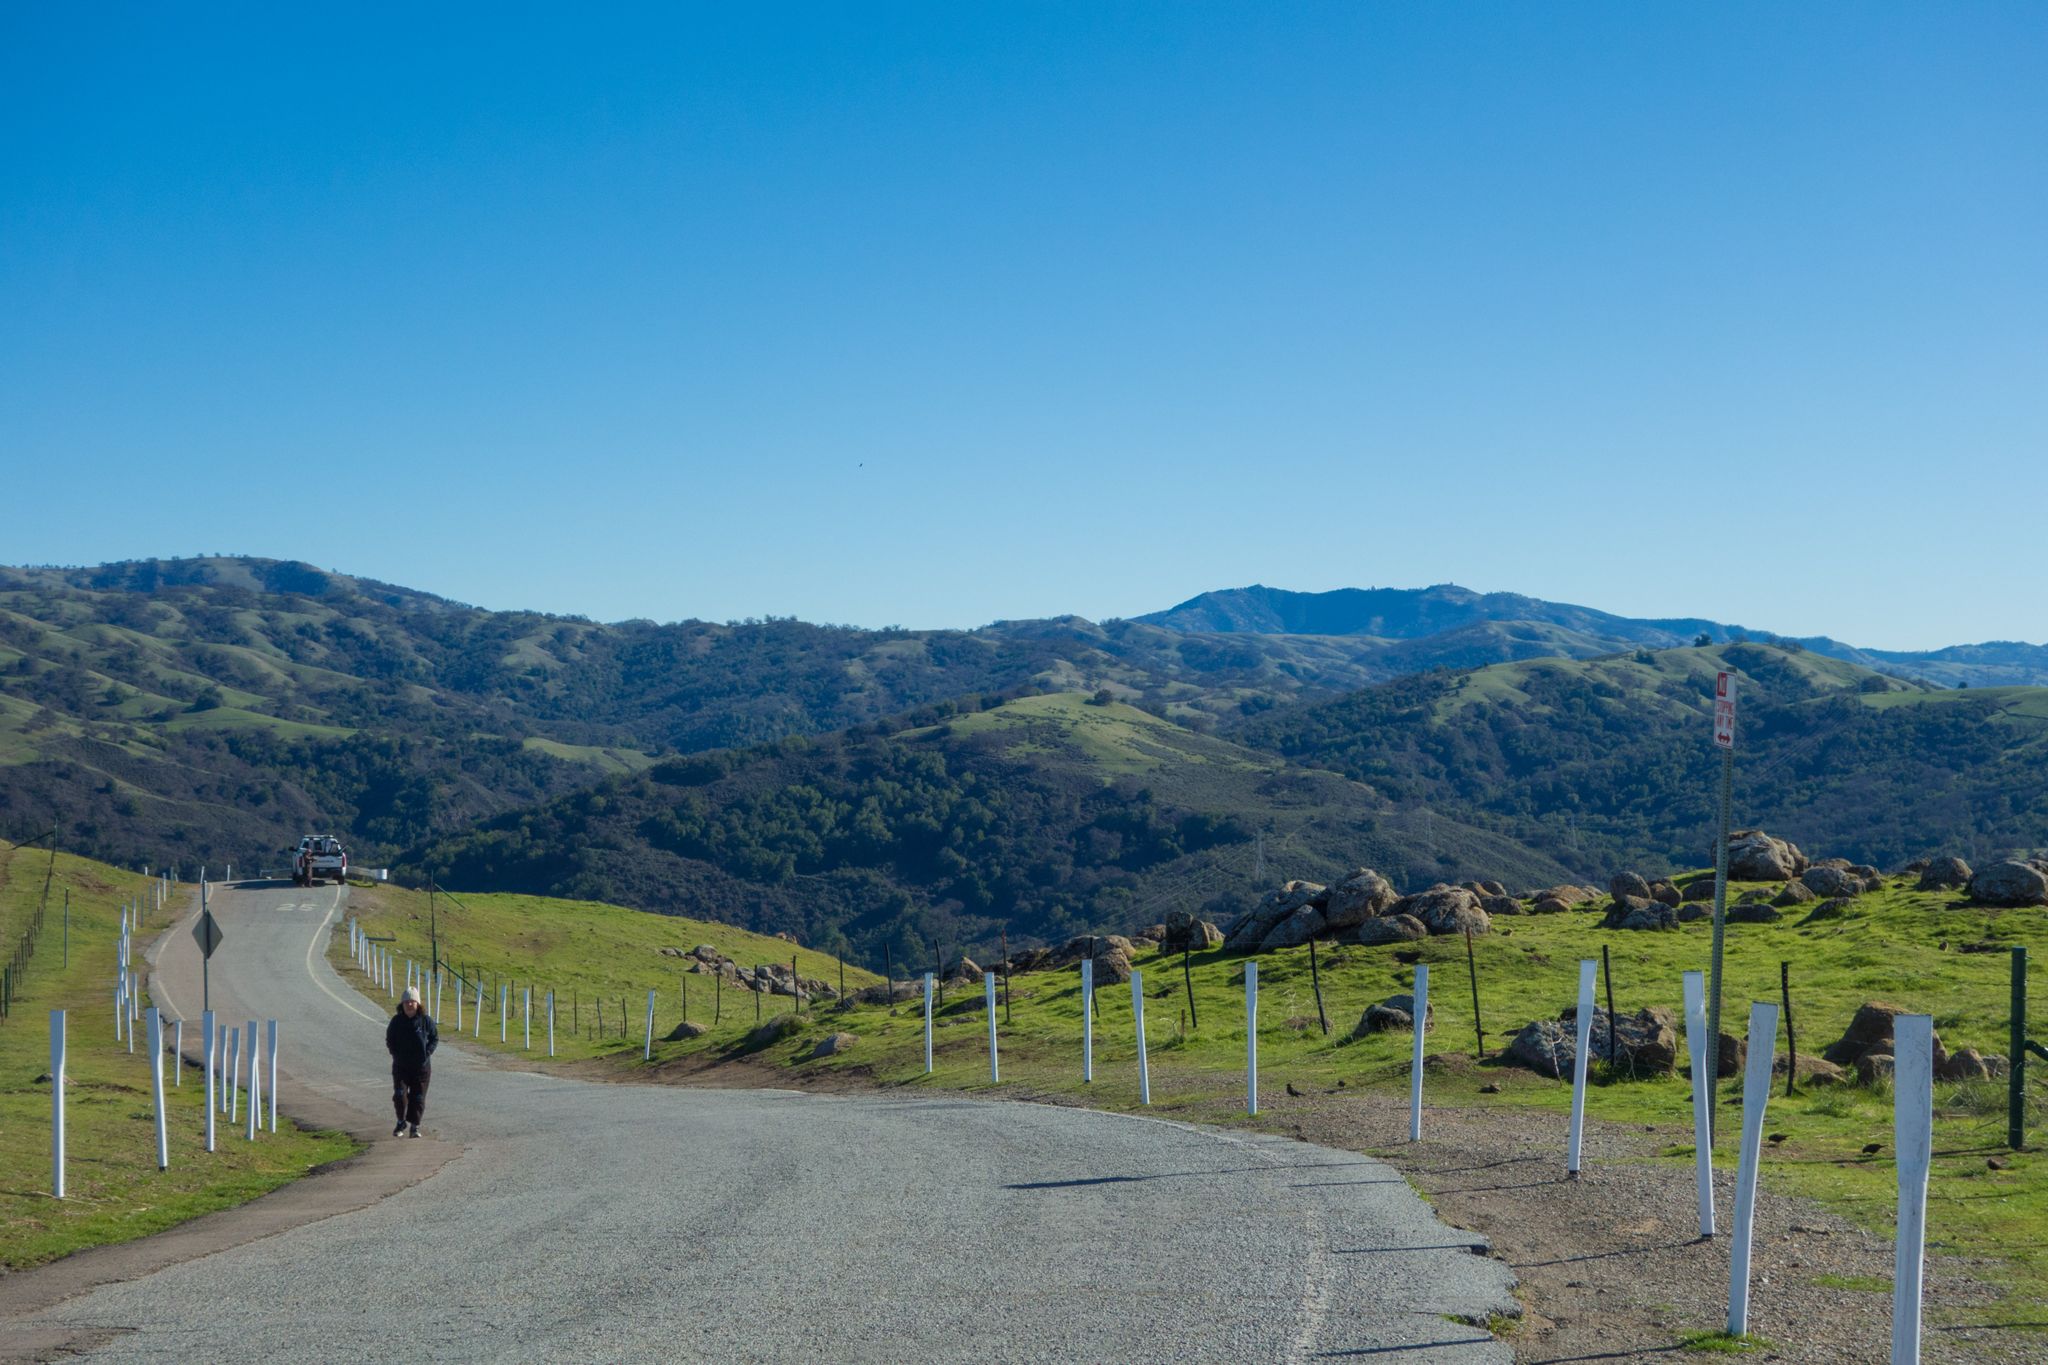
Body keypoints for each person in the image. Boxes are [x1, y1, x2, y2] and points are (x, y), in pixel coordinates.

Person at [386, 984, 437, 1137]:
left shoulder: (426, 1021)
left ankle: (415, 1126)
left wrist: (427, 1052)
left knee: (418, 1098)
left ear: (418, 1004)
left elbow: (434, 1038)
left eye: (412, 1001)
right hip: (401, 1067)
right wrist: (395, 1054)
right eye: (406, 1001)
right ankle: (401, 1121)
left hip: (421, 1068)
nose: (409, 1004)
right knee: (400, 1095)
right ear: (402, 1004)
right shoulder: (396, 1021)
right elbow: (390, 1040)